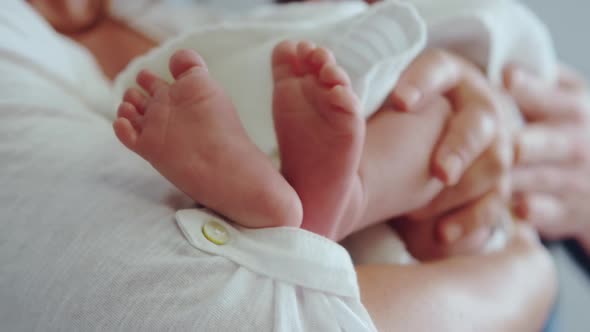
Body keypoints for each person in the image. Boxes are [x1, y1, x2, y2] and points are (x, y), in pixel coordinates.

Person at [0, 1, 555, 330]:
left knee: (423, 98)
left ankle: (321, 205)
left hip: (306, 120)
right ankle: (331, 200)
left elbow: (497, 49)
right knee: (415, 109)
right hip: (287, 112)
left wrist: (482, 81)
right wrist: (531, 270)